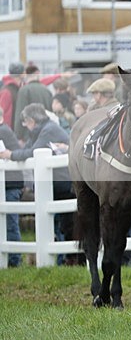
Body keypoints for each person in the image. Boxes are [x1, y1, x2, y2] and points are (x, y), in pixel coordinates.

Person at [0, 103, 75, 265]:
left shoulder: (48, 130)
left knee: (64, 224)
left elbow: (32, 152)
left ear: (31, 120)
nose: (25, 126)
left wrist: (10, 154)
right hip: (56, 183)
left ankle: (65, 260)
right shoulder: (42, 130)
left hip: (62, 183)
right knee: (58, 224)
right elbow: (28, 149)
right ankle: (63, 261)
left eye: (25, 122)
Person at [0, 107, 24, 267]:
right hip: (8, 183)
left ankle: (15, 260)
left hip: (10, 184)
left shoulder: (4, 132)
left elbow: (13, 153)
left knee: (10, 223)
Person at [14, 65, 53, 140]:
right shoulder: (47, 90)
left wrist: (18, 135)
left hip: (28, 135)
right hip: (45, 132)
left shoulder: (24, 91)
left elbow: (20, 113)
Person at [0, 62, 25, 129]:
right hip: (9, 132)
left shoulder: (19, 88)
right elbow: (3, 113)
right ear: (22, 74)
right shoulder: (7, 91)